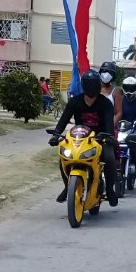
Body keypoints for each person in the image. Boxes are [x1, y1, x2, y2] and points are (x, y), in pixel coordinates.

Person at [49, 69, 117, 207]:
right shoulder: (75, 102)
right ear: (84, 85)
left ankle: (110, 189)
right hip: (79, 139)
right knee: (64, 156)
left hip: (100, 139)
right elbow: (63, 120)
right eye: (89, 84)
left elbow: (109, 124)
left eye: (94, 84)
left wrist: (109, 137)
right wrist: (56, 135)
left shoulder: (106, 104)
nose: (91, 87)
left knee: (109, 157)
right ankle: (67, 187)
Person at [98, 61, 124, 126]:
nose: (106, 74)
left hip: (108, 127)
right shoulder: (94, 89)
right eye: (104, 71)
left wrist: (110, 126)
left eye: (109, 72)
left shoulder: (116, 92)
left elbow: (118, 113)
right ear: (100, 73)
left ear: (113, 76)